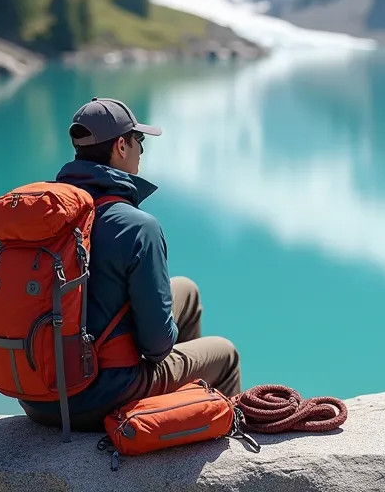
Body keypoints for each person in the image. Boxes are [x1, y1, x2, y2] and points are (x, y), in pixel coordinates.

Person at [19, 97, 242, 432]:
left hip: (37, 396)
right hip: (98, 395)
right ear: (121, 146)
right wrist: (151, 326)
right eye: (139, 140)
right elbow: (157, 347)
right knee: (225, 354)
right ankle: (199, 432)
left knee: (187, 292)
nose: (141, 148)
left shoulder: (50, 215)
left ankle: (176, 406)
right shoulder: (137, 226)